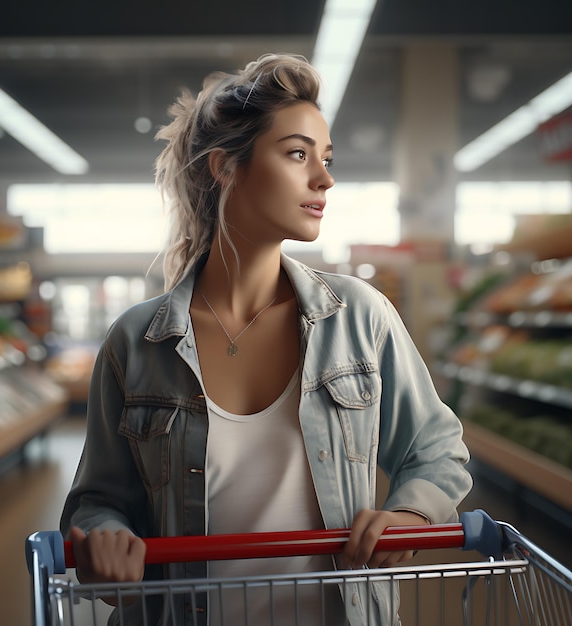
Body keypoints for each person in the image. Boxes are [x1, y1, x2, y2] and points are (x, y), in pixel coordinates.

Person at [60, 53, 472, 626]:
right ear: (225, 167)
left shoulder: (359, 317)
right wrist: (104, 537)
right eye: (298, 154)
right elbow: (97, 498)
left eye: (327, 159)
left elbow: (437, 450)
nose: (325, 179)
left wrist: (413, 514)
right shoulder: (137, 342)